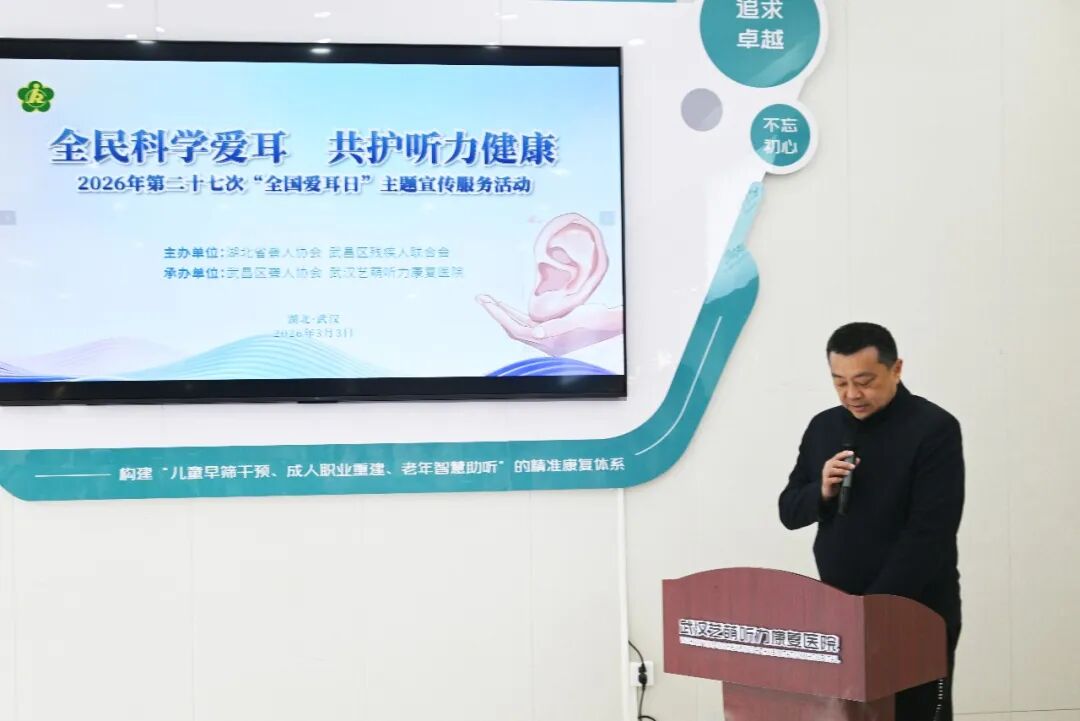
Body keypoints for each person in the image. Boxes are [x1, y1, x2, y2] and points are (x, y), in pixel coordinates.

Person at [778, 322, 964, 721]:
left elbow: (929, 535)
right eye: (839, 382)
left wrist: (871, 613)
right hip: (840, 613)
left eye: (864, 382)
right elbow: (789, 511)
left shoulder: (934, 429)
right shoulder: (824, 427)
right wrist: (821, 492)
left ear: (896, 369)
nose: (851, 394)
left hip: (915, 612)